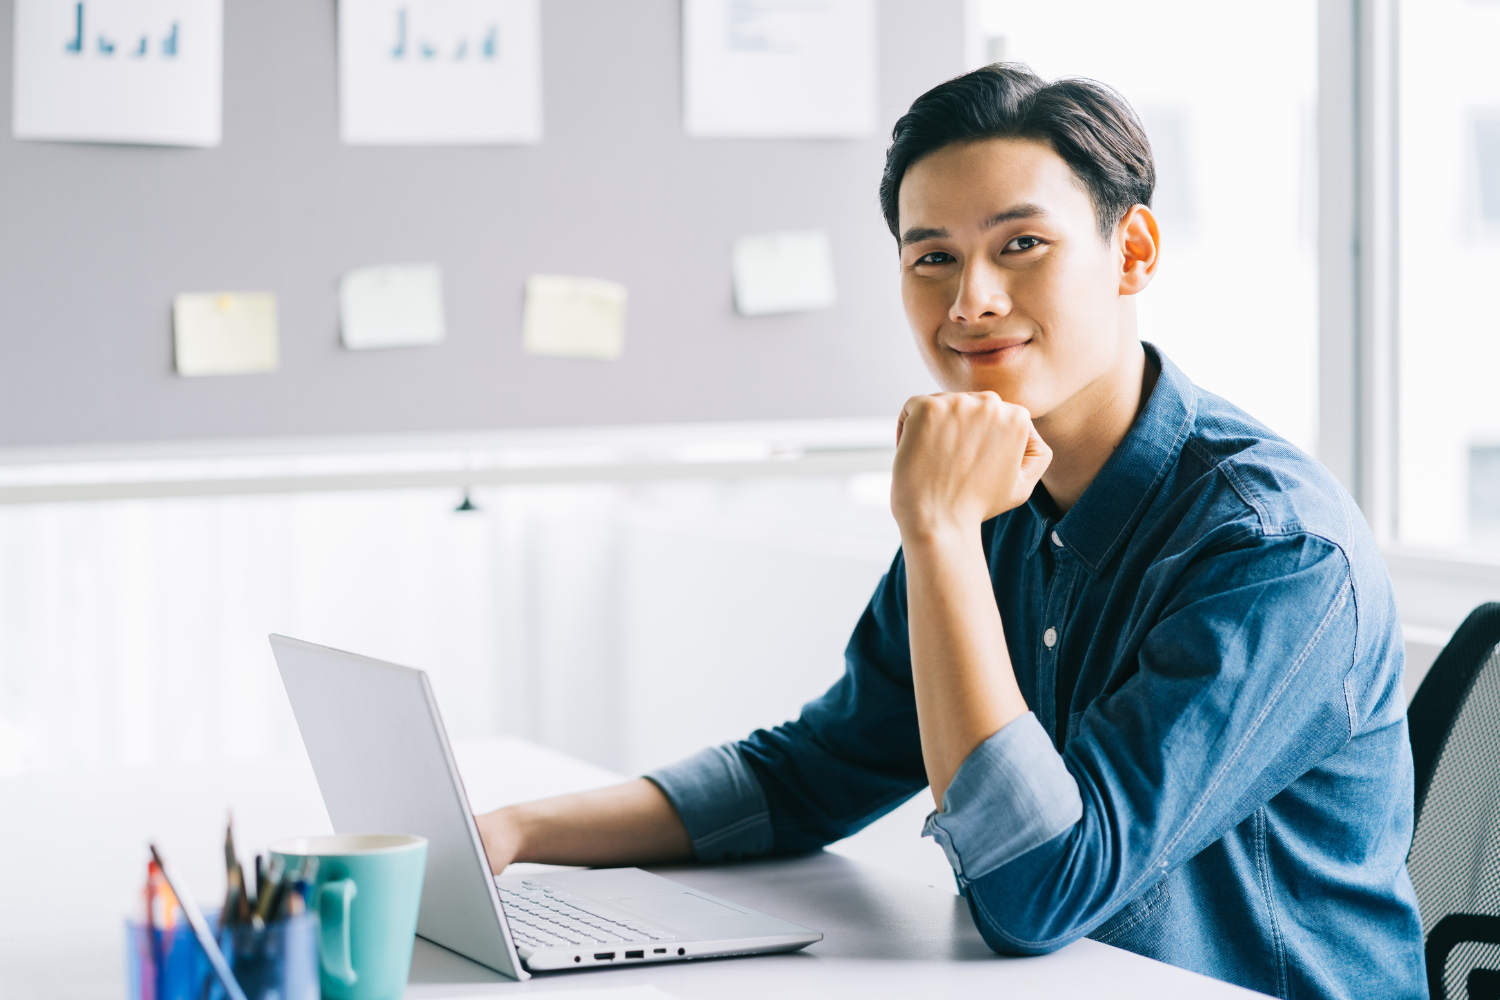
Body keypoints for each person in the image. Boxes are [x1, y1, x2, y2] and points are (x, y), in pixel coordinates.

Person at [475, 64, 1426, 999]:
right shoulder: (993, 493)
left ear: (1132, 251)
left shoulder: (1272, 550)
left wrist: (937, 530)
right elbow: (814, 771)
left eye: (1021, 245)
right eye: (932, 257)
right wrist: (514, 832)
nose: (970, 300)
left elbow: (1040, 889)